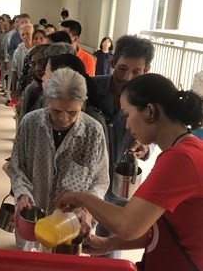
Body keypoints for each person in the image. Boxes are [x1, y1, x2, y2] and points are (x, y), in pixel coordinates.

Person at [56, 73, 203, 270]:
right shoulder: (185, 151)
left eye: (127, 114)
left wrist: (81, 198)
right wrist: (110, 243)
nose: (126, 125)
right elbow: (153, 226)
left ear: (150, 111)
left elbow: (127, 225)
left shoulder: (181, 160)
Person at [7, 68, 109, 249]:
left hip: (70, 221)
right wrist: (22, 193)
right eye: (56, 111)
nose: (63, 118)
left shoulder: (94, 131)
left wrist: (87, 210)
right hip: (34, 214)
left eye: (72, 112)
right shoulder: (30, 123)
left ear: (82, 104)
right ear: (47, 100)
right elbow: (16, 166)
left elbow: (100, 180)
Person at [92, 34, 155, 258]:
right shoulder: (90, 88)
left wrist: (144, 147)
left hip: (121, 188)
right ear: (111, 62)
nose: (127, 77)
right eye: (122, 68)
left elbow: (153, 138)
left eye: (136, 71)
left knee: (107, 251)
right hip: (87, 184)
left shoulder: (150, 102)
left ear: (146, 70)